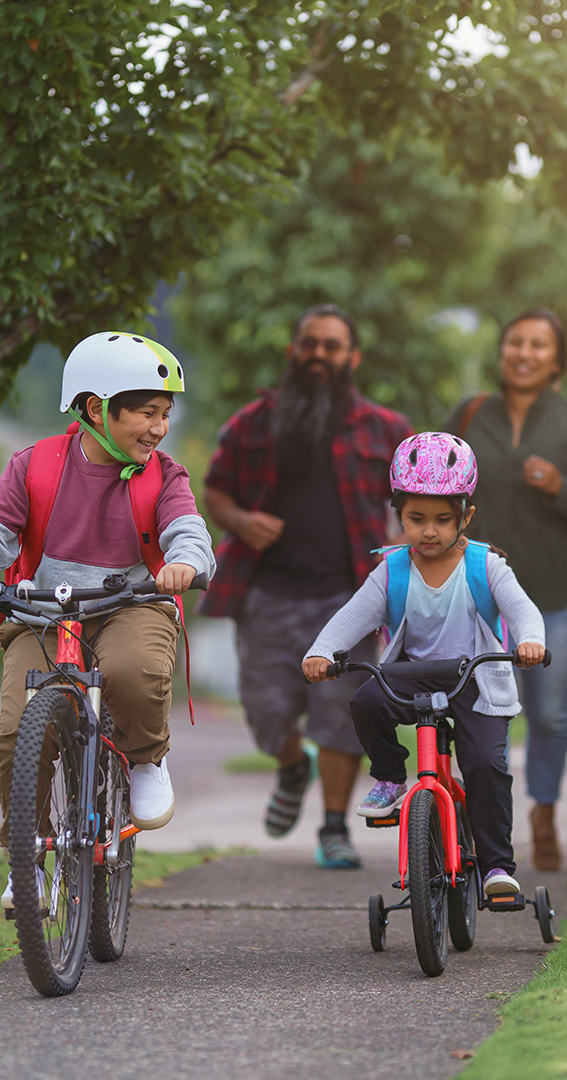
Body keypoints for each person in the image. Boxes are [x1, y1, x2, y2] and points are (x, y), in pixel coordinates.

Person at [0, 332, 216, 908]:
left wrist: (186, 562)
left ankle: (144, 757)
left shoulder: (166, 476)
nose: (159, 428)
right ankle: (28, 859)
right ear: (96, 410)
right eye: (145, 413)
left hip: (132, 604)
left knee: (133, 671)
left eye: (165, 414)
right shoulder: (34, 466)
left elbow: (188, 531)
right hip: (44, 610)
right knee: (17, 732)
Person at [201, 304, 414, 869]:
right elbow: (215, 489)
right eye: (310, 343)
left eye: (332, 345)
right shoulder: (254, 422)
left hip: (350, 596)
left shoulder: (387, 430)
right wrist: (240, 521)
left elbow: (423, 504)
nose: (320, 353)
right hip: (266, 595)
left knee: (341, 714)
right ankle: (292, 765)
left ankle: (334, 828)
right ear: (295, 350)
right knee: (266, 712)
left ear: (353, 357)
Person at [302, 432, 547, 896]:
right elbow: (350, 618)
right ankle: (392, 777)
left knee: (485, 766)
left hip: (476, 679)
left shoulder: (485, 565)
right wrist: (321, 651)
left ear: (466, 517)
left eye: (441, 520)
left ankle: (496, 868)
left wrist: (531, 640)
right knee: (367, 700)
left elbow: (522, 610)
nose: (428, 531)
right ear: (398, 515)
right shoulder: (392, 570)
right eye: (416, 519)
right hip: (410, 677)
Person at [445, 308, 567, 871]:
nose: (524, 352)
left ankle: (543, 812)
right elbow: (436, 486)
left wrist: (560, 485)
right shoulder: (469, 415)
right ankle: (474, 820)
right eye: (515, 341)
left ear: (557, 360)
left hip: (560, 588)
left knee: (548, 713)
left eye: (538, 345)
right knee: (480, 709)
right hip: (481, 589)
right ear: (502, 352)